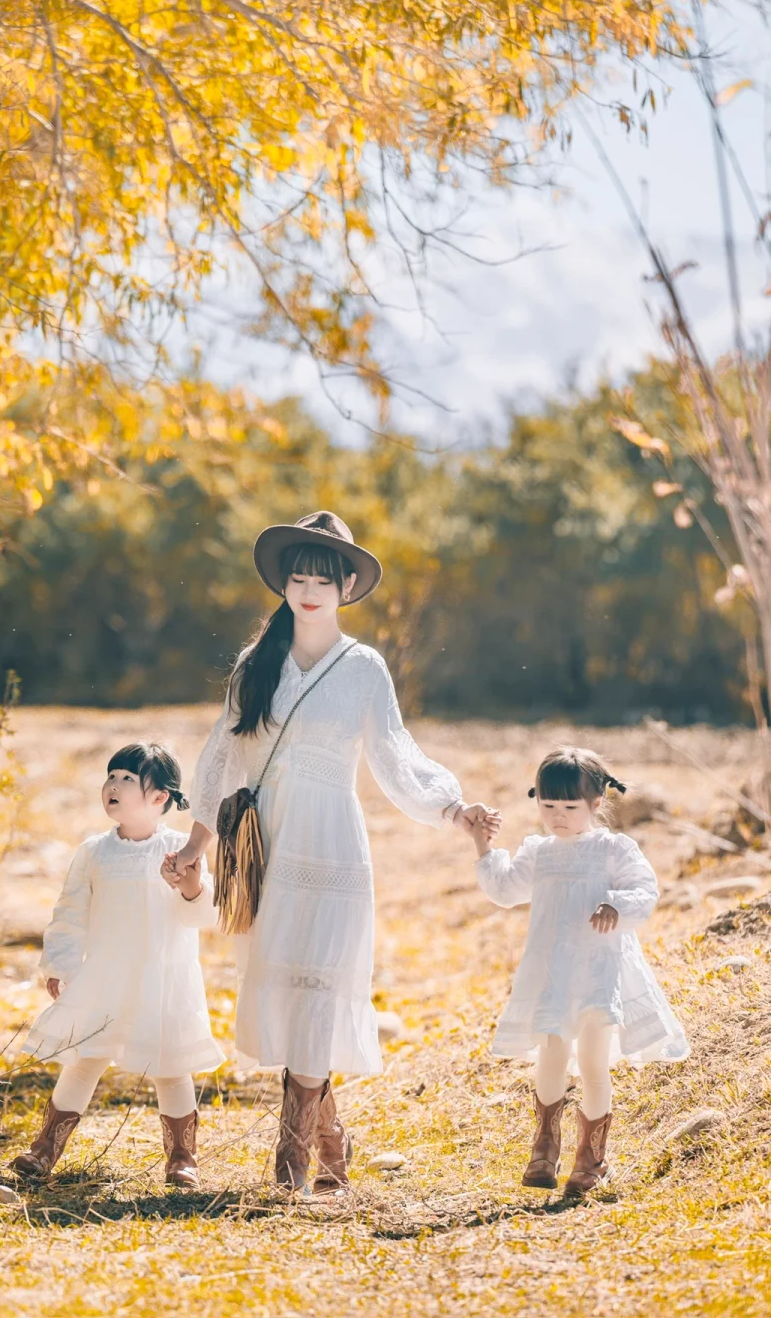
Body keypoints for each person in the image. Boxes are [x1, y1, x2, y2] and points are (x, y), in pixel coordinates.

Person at [163, 511, 500, 1194]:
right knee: (288, 989)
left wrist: (452, 806)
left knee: (319, 986)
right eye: (298, 576)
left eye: (324, 577)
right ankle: (335, 1154)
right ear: (283, 585)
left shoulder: (363, 669)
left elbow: (396, 754)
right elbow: (222, 756)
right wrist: (198, 843)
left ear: (347, 586)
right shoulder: (255, 667)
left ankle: (290, 1160)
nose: (310, 589)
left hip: (334, 846)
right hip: (263, 848)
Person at [472, 746, 689, 1198]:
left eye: (569, 807)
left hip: (598, 970)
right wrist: (483, 845)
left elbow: (645, 890)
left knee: (592, 1060)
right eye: (547, 806)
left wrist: (616, 904)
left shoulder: (612, 847)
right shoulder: (540, 852)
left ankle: (590, 1158)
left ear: (596, 803)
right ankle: (544, 1148)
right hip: (553, 972)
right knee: (551, 1055)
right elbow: (506, 889)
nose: (557, 816)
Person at [11, 742, 224, 1188]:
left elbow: (201, 914)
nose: (113, 785)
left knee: (170, 1065)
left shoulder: (179, 849)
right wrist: (61, 964)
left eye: (128, 779)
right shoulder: (94, 852)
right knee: (85, 1058)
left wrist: (188, 886)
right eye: (111, 776)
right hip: (106, 975)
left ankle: (182, 1157)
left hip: (161, 977)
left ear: (159, 797)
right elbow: (70, 911)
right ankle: (45, 1148)